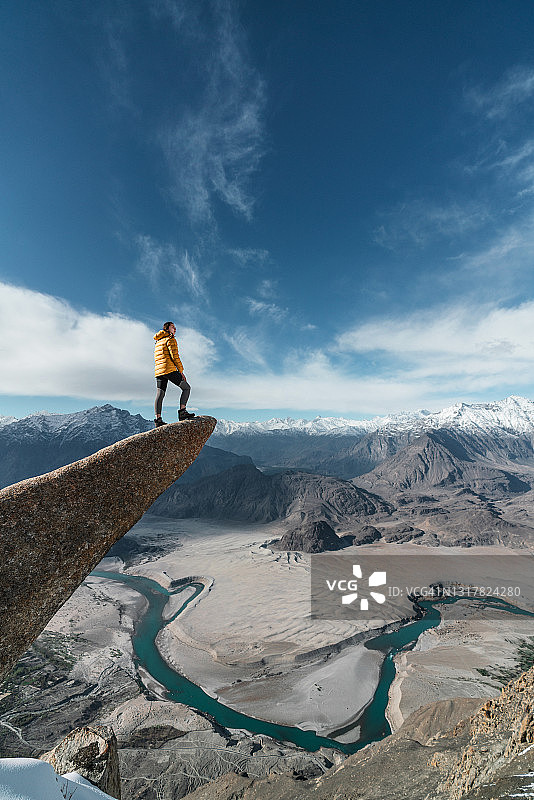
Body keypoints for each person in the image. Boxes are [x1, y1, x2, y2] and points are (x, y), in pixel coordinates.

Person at [153, 322, 195, 426]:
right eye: (172, 327)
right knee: (186, 388)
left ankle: (158, 420)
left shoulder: (158, 342)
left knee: (160, 394)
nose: (175, 329)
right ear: (167, 328)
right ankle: (182, 412)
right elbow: (175, 356)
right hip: (169, 369)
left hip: (159, 371)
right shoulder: (170, 339)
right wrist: (181, 371)